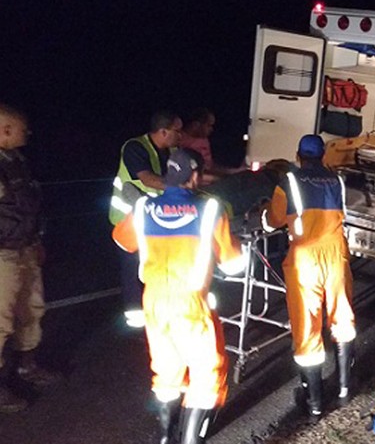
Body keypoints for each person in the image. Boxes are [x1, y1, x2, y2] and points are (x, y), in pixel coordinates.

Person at [112, 148, 245, 444]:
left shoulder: (145, 207)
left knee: (166, 370)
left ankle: (163, 437)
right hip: (191, 302)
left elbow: (122, 240)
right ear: (195, 176)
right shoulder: (210, 209)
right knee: (207, 373)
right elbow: (233, 265)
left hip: (155, 301)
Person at [261, 134, 356, 420]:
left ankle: (314, 404)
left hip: (305, 260)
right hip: (336, 254)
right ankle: (344, 390)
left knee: (307, 327)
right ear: (323, 155)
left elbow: (273, 220)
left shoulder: (288, 183)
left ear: (298, 156)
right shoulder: (336, 180)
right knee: (343, 318)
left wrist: (265, 215)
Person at [0, 104, 60, 413]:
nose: (28, 134)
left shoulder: (16, 161)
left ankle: (26, 366)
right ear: (5, 130)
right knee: (0, 320)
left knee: (31, 309)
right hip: (3, 253)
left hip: (23, 248)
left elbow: (28, 207)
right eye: (24, 129)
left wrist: (36, 240)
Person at [108, 110, 182, 328]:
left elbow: (186, 173)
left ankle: (156, 311)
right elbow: (148, 180)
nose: (181, 136)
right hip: (127, 217)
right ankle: (135, 318)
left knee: (153, 264)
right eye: (177, 131)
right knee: (132, 267)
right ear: (163, 131)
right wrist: (184, 187)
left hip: (153, 218)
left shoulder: (171, 150)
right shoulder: (134, 147)